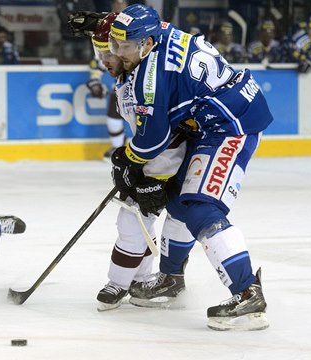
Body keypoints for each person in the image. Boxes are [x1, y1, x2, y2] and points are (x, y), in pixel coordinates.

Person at [107, 4, 272, 330]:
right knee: (178, 200)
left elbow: (153, 138)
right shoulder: (159, 31)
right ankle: (170, 279)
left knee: (199, 207)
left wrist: (127, 160)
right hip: (218, 115)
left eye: (126, 46)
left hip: (230, 126)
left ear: (147, 43)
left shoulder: (149, 80)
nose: (119, 53)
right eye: (115, 44)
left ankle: (247, 292)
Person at [70, 11, 188, 311]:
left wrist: (139, 168)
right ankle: (142, 280)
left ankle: (121, 282)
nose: (105, 60)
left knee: (135, 218)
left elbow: (162, 132)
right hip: (158, 154)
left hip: (171, 158)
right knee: (138, 220)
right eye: (100, 53)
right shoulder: (130, 67)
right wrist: (102, 23)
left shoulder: (145, 79)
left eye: (110, 53)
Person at [86, 0, 129, 160]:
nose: (119, 6)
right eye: (116, 3)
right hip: (122, 84)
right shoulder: (104, 30)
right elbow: (99, 62)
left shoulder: (135, 28)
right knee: (113, 116)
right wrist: (95, 82)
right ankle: (119, 148)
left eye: (122, 2)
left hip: (142, 81)